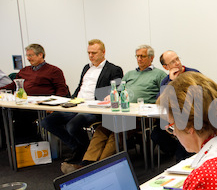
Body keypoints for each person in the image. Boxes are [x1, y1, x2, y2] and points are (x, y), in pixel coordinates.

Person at [61, 45, 165, 173]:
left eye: (142, 56)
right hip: (123, 112)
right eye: (137, 56)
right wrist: (110, 97)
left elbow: (164, 95)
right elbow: (118, 90)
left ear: (151, 58)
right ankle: (86, 164)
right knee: (101, 130)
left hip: (140, 116)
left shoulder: (159, 74)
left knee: (117, 132)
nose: (139, 59)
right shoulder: (130, 74)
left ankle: (100, 166)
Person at [41, 39, 123, 163]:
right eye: (89, 53)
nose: (91, 55)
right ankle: (79, 147)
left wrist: (110, 96)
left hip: (93, 108)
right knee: (47, 122)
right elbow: (80, 87)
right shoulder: (86, 68)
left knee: (72, 126)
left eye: (94, 53)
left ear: (103, 52)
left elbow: (116, 89)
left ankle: (83, 150)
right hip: (77, 104)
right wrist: (66, 103)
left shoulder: (113, 69)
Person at [1, 43, 70, 143]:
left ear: (40, 55)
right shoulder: (24, 70)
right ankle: (12, 144)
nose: (28, 58)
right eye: (27, 55)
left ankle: (31, 144)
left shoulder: (54, 71)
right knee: (6, 115)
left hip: (42, 106)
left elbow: (62, 90)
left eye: (31, 55)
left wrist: (54, 105)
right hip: (25, 104)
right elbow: (13, 86)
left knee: (22, 119)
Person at [151, 50, 200, 161]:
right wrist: (172, 82)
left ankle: (183, 153)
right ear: (165, 67)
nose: (177, 63)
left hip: (192, 117)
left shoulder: (193, 74)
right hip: (173, 119)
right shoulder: (166, 80)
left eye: (177, 59)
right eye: (173, 62)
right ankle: (177, 151)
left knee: (183, 138)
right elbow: (161, 100)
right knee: (156, 134)